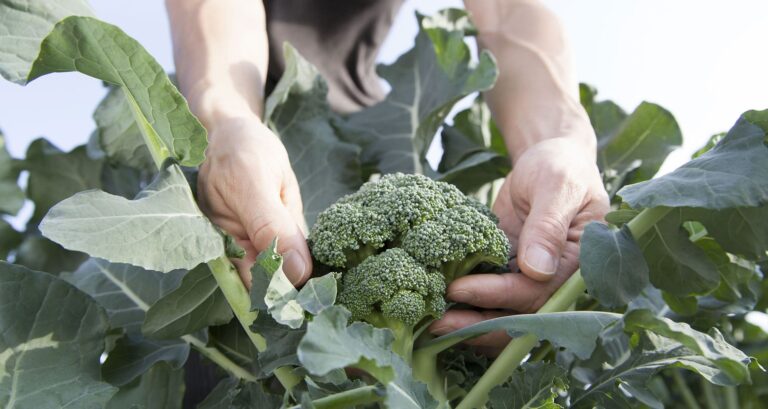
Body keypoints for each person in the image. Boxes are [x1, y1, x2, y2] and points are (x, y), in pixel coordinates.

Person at [165, 0, 609, 355]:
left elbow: (509, 10)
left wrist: (560, 142)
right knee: (237, 350)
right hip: (242, 149)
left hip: (367, 129)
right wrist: (224, 122)